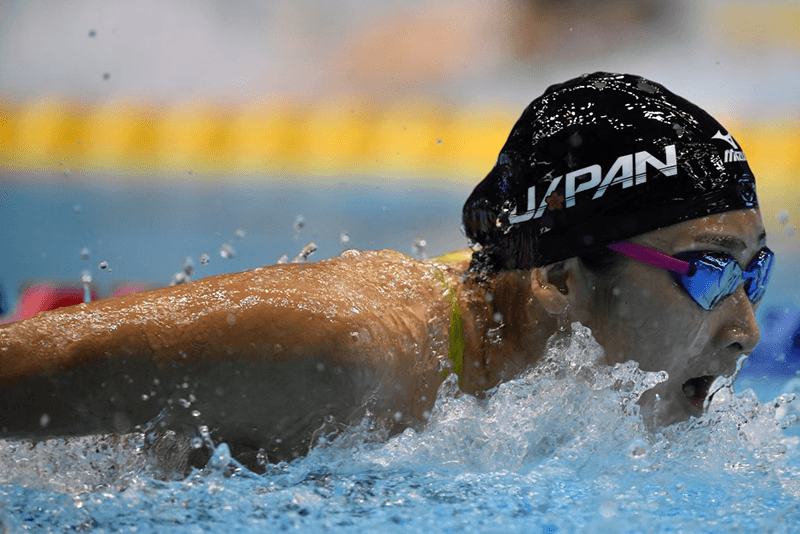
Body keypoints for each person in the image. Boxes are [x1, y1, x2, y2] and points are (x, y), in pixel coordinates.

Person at [0, 72, 772, 470]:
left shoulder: (527, 389)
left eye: (754, 274)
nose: (748, 331)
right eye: (708, 274)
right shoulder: (348, 351)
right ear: (560, 279)